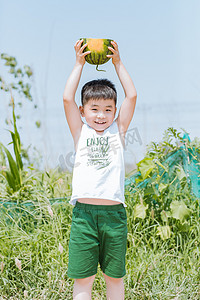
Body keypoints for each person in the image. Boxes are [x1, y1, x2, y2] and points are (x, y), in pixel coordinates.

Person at [63, 39, 137, 300]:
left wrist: (117, 63)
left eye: (108, 109)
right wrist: (78, 64)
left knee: (114, 276)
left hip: (114, 216)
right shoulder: (80, 131)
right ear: (83, 111)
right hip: (83, 217)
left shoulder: (118, 131)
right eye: (94, 109)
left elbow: (132, 96)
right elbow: (66, 98)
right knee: (84, 277)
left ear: (115, 111)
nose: (101, 115)